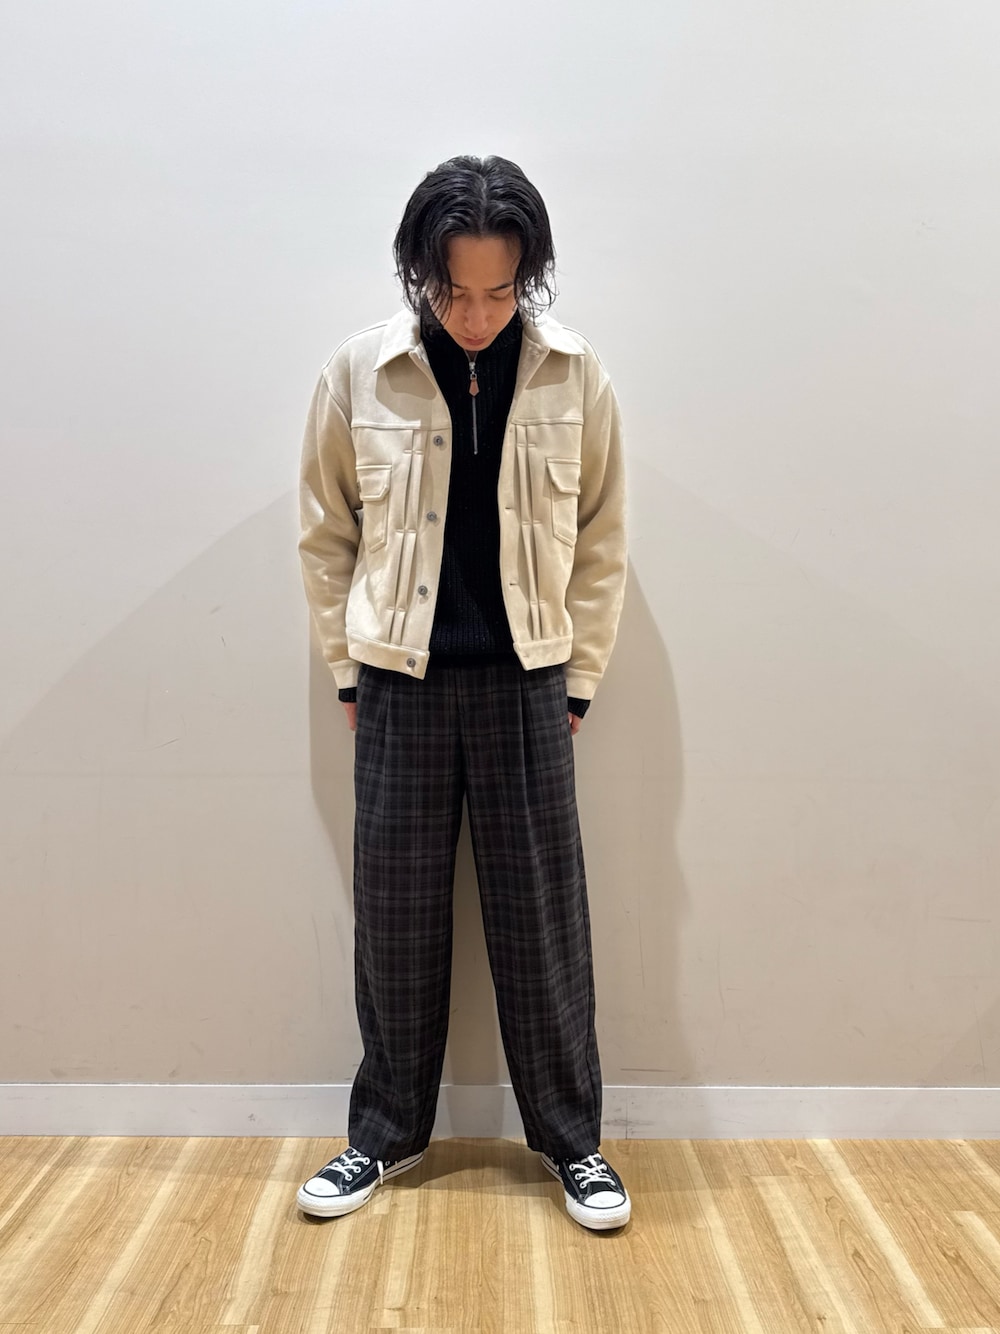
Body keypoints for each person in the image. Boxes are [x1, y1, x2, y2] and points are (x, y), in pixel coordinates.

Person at [296, 155, 629, 1231]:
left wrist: (578, 682)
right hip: (399, 683)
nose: (477, 315)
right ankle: (383, 1133)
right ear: (418, 273)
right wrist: (348, 669)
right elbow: (325, 532)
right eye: (454, 291)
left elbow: (601, 540)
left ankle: (574, 1144)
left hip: (528, 684)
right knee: (394, 922)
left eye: (499, 290)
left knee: (543, 924)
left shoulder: (573, 374)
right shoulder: (362, 372)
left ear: (528, 275)